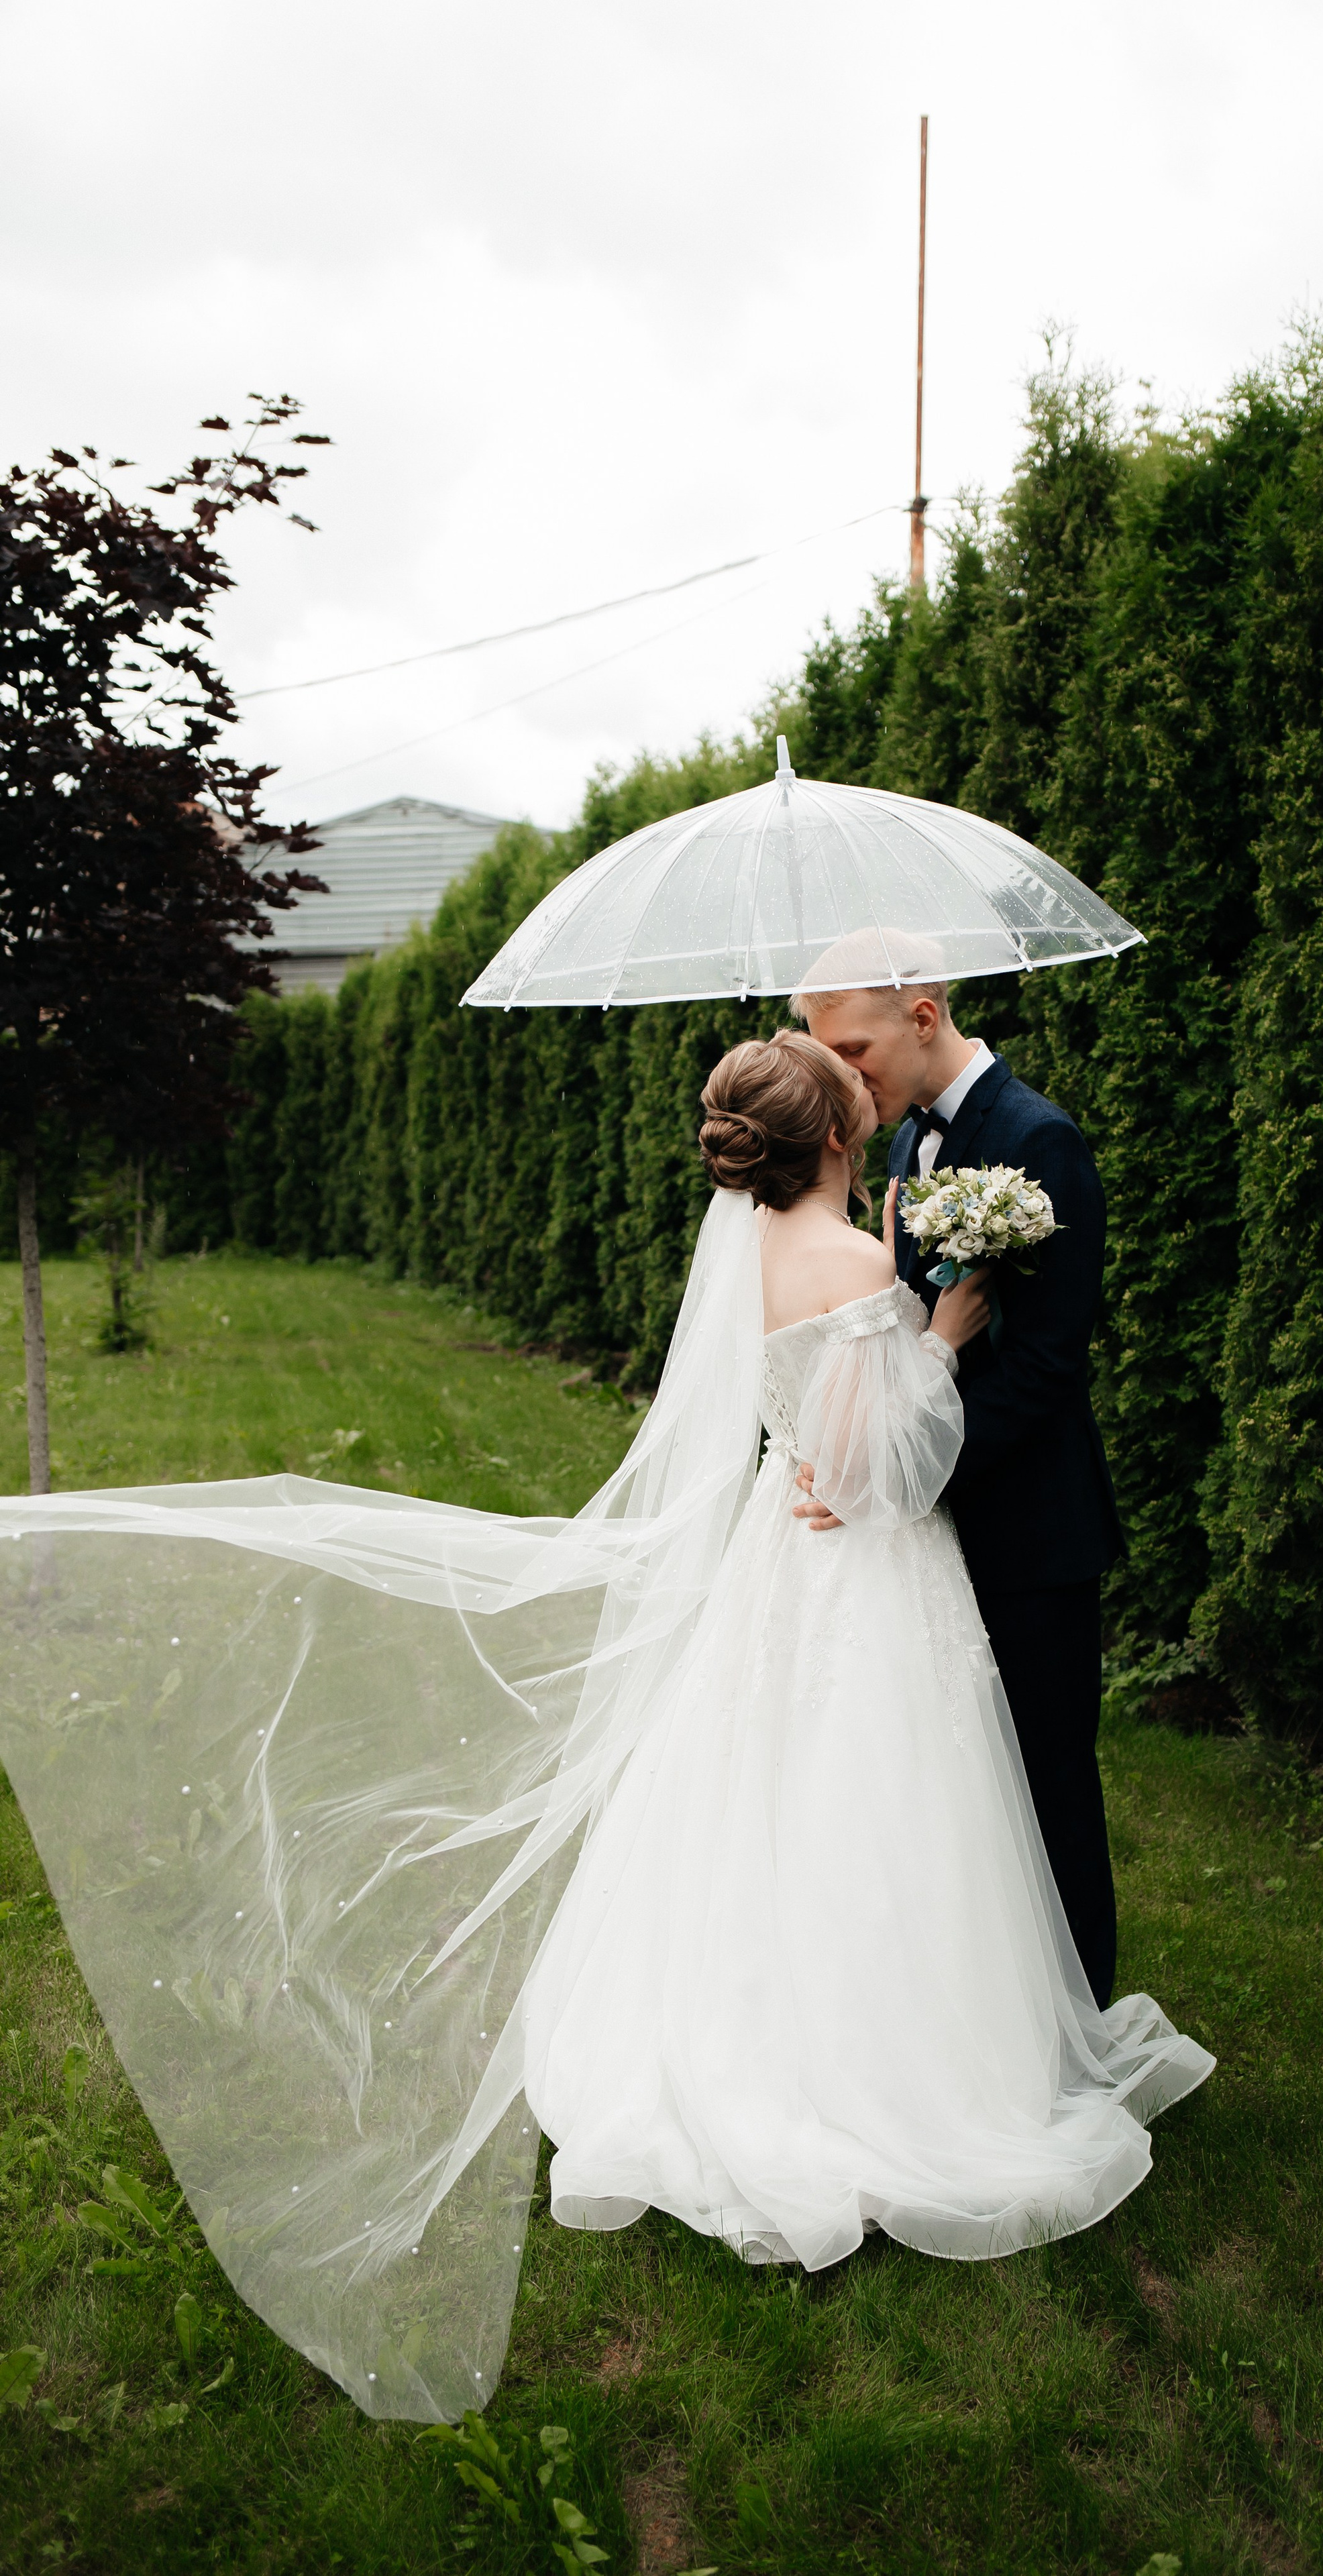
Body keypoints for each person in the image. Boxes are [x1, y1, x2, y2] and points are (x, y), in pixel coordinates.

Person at [0, 1030, 1210, 2426]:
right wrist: (945, 1324)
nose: (872, 1115)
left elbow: (803, 1434)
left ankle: (734, 2030)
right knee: (878, 1807)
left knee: (761, 1803)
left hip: (776, 1560)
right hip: (861, 1580)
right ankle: (900, 2071)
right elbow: (890, 1466)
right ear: (832, 1144)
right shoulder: (862, 1271)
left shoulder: (747, 1255)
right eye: (858, 1108)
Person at [796, 944, 1126, 2004]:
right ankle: (992, 2022)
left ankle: (1078, 2028)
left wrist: (905, 1468)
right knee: (962, 1801)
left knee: (1047, 1789)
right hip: (928, 1538)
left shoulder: (1040, 1141)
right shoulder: (902, 1149)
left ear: (924, 1015)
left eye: (853, 1047)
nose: (843, 1076)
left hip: (1029, 1529)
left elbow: (1041, 1368)